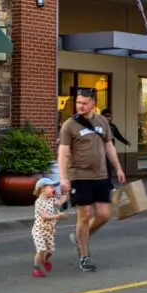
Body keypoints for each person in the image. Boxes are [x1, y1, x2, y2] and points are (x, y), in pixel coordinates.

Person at [58, 89, 126, 273]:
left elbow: (109, 146)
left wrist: (118, 167)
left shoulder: (102, 121)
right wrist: (63, 178)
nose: (80, 106)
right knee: (84, 216)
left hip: (101, 175)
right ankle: (84, 256)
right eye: (78, 102)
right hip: (79, 176)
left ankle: (81, 237)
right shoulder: (69, 125)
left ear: (93, 104)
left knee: (104, 215)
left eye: (84, 103)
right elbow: (63, 152)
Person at [31, 177, 68, 278]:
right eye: (51, 187)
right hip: (39, 230)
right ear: (42, 189)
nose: (54, 189)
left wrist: (64, 193)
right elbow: (44, 216)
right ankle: (36, 269)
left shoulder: (51, 199)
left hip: (49, 230)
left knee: (50, 251)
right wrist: (58, 216)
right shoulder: (38, 202)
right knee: (41, 249)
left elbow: (60, 203)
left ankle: (45, 260)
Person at [101, 108, 130, 189]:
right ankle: (106, 184)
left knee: (110, 167)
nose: (108, 118)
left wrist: (125, 142)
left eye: (109, 116)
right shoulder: (99, 126)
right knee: (104, 168)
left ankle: (108, 184)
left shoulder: (112, 127)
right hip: (101, 151)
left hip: (110, 151)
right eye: (106, 116)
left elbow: (118, 135)